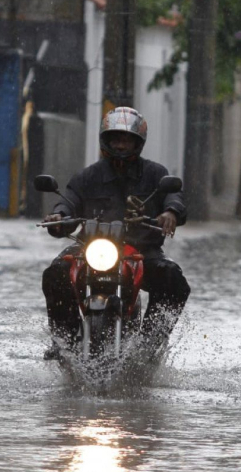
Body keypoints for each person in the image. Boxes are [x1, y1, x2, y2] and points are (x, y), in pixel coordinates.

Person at [41, 107, 190, 358]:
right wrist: (59, 217)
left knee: (173, 278)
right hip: (91, 248)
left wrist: (171, 213)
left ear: (138, 142)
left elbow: (174, 197)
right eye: (116, 139)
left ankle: (149, 344)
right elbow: (68, 200)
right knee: (55, 272)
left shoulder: (156, 174)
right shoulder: (88, 176)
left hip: (141, 251)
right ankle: (63, 340)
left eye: (127, 139)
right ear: (106, 140)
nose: (121, 145)